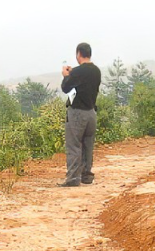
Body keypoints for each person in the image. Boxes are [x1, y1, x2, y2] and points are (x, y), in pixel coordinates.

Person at [59, 42, 101, 187]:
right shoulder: (96, 71)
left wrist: (66, 76)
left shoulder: (78, 72)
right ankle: (86, 175)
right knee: (88, 145)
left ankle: (72, 179)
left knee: (74, 146)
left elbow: (66, 88)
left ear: (78, 54)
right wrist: (73, 73)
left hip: (77, 113)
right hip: (91, 112)